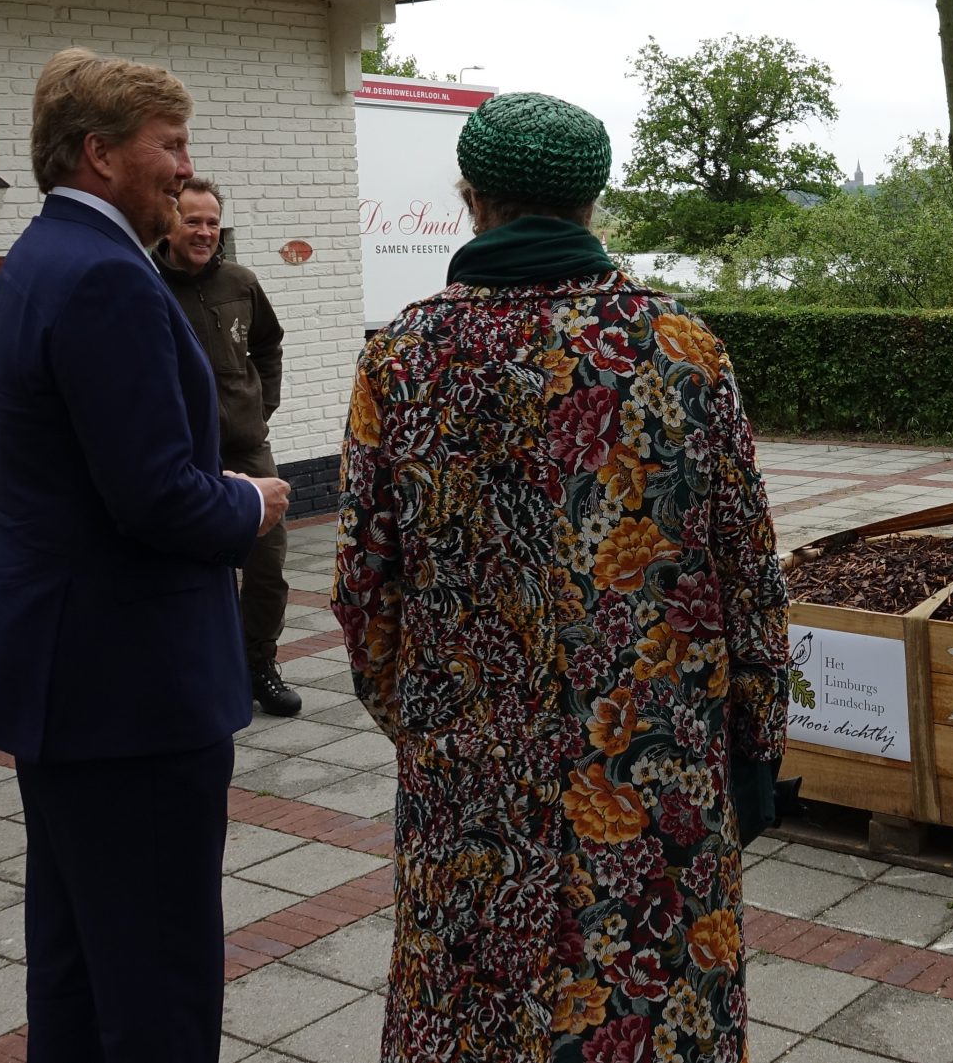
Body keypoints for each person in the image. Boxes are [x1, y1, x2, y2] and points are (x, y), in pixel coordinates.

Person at [334, 92, 789, 1063]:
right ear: (593, 198)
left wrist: (430, 724)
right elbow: (749, 575)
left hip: (473, 776)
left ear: (472, 198)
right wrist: (752, 750)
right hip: (652, 778)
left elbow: (364, 591)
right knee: (650, 1010)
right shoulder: (679, 352)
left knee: (478, 1016)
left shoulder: (404, 358)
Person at [0, 48, 291, 1062]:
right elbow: (154, 496)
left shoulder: (43, 255)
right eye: (171, 146)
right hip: (131, 688)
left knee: (76, 954)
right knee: (157, 966)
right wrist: (248, 503)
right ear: (101, 154)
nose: (187, 170)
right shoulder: (109, 278)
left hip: (65, 673)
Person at [157, 178, 301, 717]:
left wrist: (259, 406)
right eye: (193, 220)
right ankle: (196, 673)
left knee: (267, 564)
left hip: (247, 447)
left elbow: (268, 344)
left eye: (212, 222)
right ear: (171, 223)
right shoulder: (148, 283)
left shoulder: (240, 281)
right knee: (194, 566)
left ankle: (257, 664)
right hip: (188, 456)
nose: (204, 231)